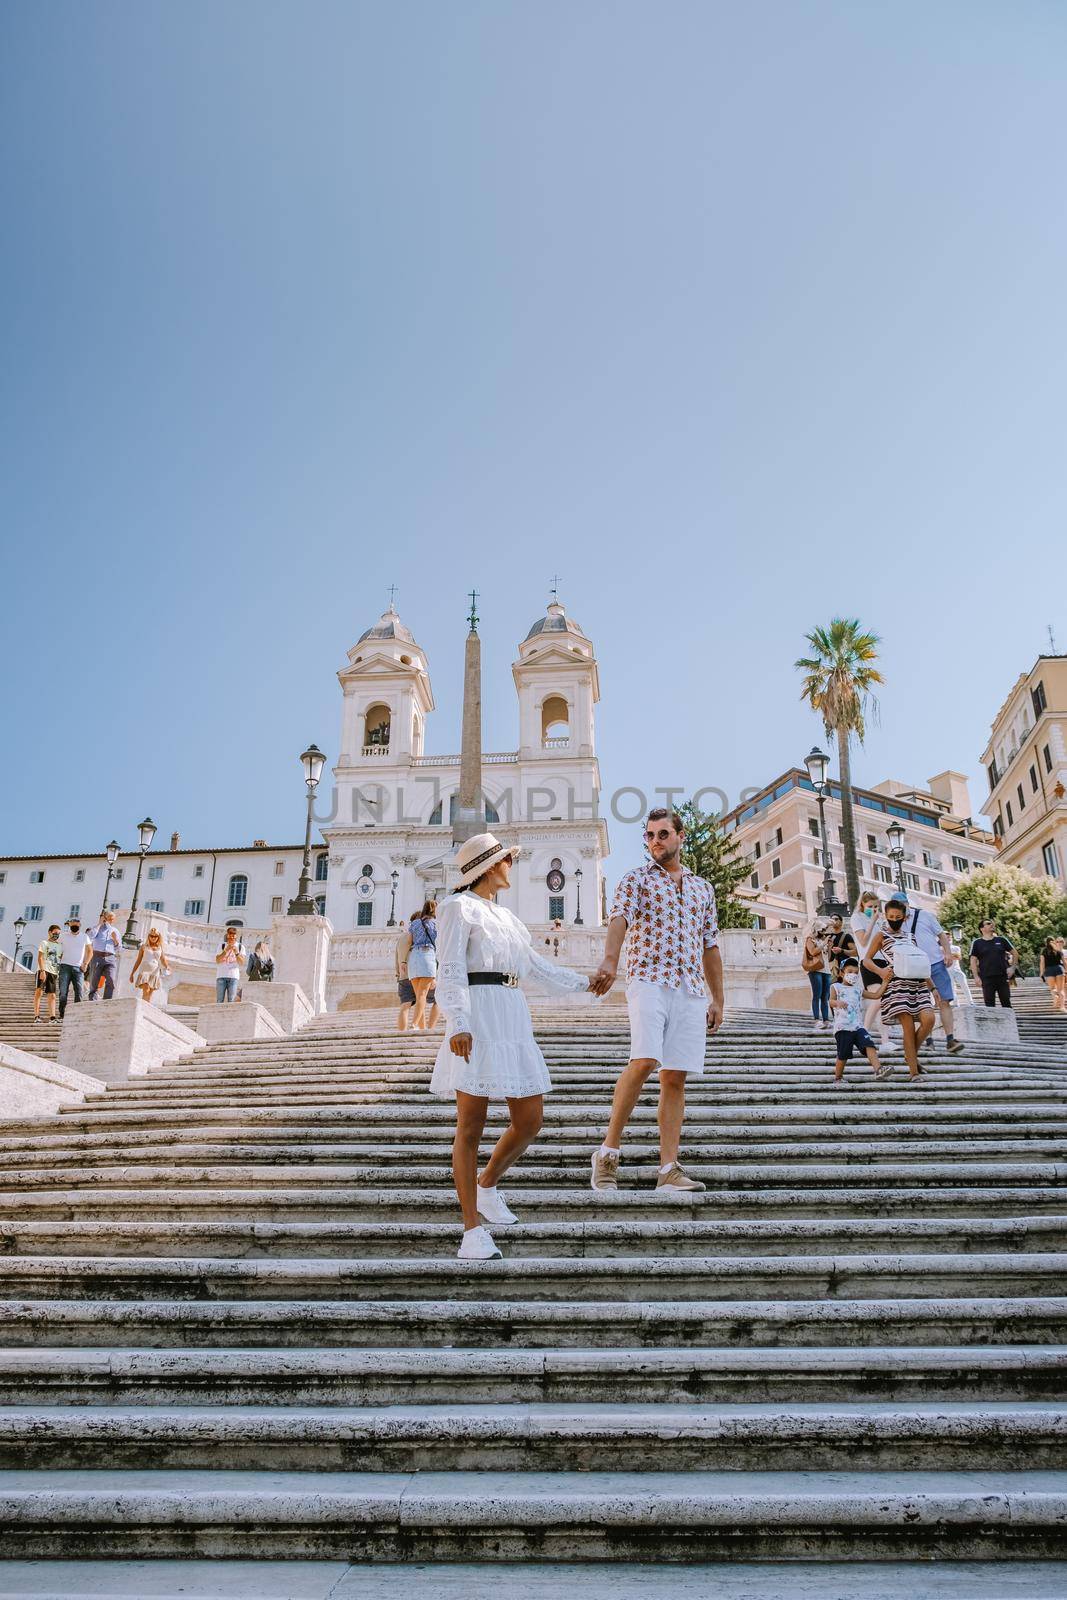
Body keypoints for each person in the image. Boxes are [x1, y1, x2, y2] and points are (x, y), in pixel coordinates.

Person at [430, 832, 595, 1260]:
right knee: (471, 1124)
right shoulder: (456, 908)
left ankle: (487, 1186)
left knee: (530, 1117)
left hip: (512, 1013)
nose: (511, 865)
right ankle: (471, 1230)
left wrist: (585, 982)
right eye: (505, 860)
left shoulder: (509, 919)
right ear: (488, 867)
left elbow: (536, 968)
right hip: (478, 1013)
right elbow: (447, 967)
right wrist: (458, 1022)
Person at [588, 807, 724, 1194]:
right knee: (645, 1059)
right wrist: (610, 961)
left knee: (675, 1075)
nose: (654, 842)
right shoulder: (636, 880)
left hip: (691, 988)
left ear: (681, 836)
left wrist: (719, 999)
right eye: (648, 836)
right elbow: (620, 918)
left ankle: (668, 1169)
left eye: (662, 834)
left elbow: (710, 945)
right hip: (649, 979)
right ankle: (608, 1152)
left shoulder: (703, 888)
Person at [863, 893, 936, 1083]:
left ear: (904, 917)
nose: (894, 920)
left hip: (918, 984)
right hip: (896, 985)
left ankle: (910, 1054)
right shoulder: (881, 935)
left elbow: (918, 962)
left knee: (929, 1019)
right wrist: (880, 972)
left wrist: (933, 988)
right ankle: (914, 1072)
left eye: (898, 917)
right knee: (908, 1028)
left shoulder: (911, 936)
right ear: (886, 916)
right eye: (891, 917)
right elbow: (866, 960)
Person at [829, 958, 892, 1085]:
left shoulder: (858, 990)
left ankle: (878, 1069)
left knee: (869, 1044)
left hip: (858, 1026)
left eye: (856, 972)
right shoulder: (836, 987)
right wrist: (837, 1002)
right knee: (843, 1054)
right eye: (850, 971)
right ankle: (838, 1077)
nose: (853, 974)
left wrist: (885, 981)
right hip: (843, 1027)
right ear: (842, 973)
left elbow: (876, 995)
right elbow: (830, 1001)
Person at [850, 891, 898, 1054]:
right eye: (870, 906)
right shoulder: (857, 918)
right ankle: (862, 1032)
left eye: (876, 906)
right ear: (862, 905)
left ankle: (885, 1041)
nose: (874, 909)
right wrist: (872, 921)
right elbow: (863, 942)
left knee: (883, 1002)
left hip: (882, 962)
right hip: (867, 961)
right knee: (878, 1000)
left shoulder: (878, 921)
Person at [969, 919, 1017, 1008]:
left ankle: (1009, 1021)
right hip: (986, 978)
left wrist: (1012, 968)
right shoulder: (977, 943)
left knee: (1006, 1002)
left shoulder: (1002, 940)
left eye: (992, 923)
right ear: (982, 929)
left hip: (1002, 976)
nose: (991, 924)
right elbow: (973, 960)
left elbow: (1015, 953)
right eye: (988, 923)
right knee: (989, 1005)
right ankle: (992, 1022)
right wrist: (976, 977)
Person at [409, 900, 438, 1030]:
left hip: (414, 957)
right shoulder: (435, 924)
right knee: (422, 995)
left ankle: (422, 1028)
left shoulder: (414, 923)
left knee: (419, 996)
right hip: (427, 956)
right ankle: (414, 1024)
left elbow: (409, 941)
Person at [57, 917, 91, 1020]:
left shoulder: (85, 937)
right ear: (69, 925)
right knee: (63, 992)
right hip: (64, 966)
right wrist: (59, 956)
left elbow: (90, 951)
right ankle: (62, 1014)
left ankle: (77, 1014)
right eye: (72, 925)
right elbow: (56, 948)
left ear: (80, 925)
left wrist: (85, 963)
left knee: (79, 992)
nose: (74, 926)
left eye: (76, 924)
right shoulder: (63, 936)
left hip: (78, 968)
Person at [802, 921, 832, 1031]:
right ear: (817, 929)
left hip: (826, 970)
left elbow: (828, 957)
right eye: (822, 930)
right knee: (817, 995)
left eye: (824, 930)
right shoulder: (810, 939)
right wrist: (824, 943)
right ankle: (816, 1020)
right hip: (816, 970)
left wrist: (828, 947)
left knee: (825, 997)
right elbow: (813, 952)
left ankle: (826, 1020)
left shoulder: (823, 941)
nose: (824, 932)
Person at [86, 911, 121, 1002]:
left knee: (111, 980)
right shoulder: (96, 928)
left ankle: (107, 1001)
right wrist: (99, 924)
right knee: (94, 980)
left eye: (112, 919)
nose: (111, 920)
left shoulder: (115, 931)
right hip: (97, 956)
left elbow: (119, 948)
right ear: (104, 918)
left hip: (110, 958)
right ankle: (92, 1000)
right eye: (109, 918)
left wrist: (115, 940)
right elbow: (89, 937)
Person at [129, 927, 170, 1003]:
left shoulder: (160, 948)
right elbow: (138, 960)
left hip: (155, 972)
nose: (153, 938)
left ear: (158, 937)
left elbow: (163, 960)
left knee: (150, 993)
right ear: (149, 936)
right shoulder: (143, 946)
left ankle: (145, 1008)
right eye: (151, 936)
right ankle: (143, 1007)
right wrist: (132, 973)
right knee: (146, 989)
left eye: (155, 936)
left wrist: (167, 966)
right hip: (145, 971)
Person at [33, 925, 62, 1024]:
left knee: (52, 995)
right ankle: (37, 1016)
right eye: (55, 933)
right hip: (43, 970)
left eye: (58, 933)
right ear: (49, 932)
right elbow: (40, 957)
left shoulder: (60, 945)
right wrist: (42, 971)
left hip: (54, 972)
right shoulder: (44, 943)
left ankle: (52, 1018)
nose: (56, 935)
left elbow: (60, 958)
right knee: (39, 992)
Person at [215, 926, 246, 1002]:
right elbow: (217, 960)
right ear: (227, 935)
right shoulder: (221, 945)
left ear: (236, 936)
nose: (231, 938)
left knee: (231, 1001)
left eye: (233, 937)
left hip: (233, 977)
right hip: (221, 976)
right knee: (219, 1000)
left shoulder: (240, 947)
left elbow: (242, 962)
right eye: (230, 936)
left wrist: (237, 953)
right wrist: (226, 950)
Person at [1039, 936, 1066, 1014]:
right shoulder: (1058, 949)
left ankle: (1055, 996)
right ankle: (1062, 1007)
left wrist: (1041, 973)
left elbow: (1042, 963)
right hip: (1059, 969)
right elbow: (1064, 962)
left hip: (1049, 970)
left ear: (1046, 943)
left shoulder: (1044, 951)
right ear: (1053, 941)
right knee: (1061, 990)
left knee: (1053, 988)